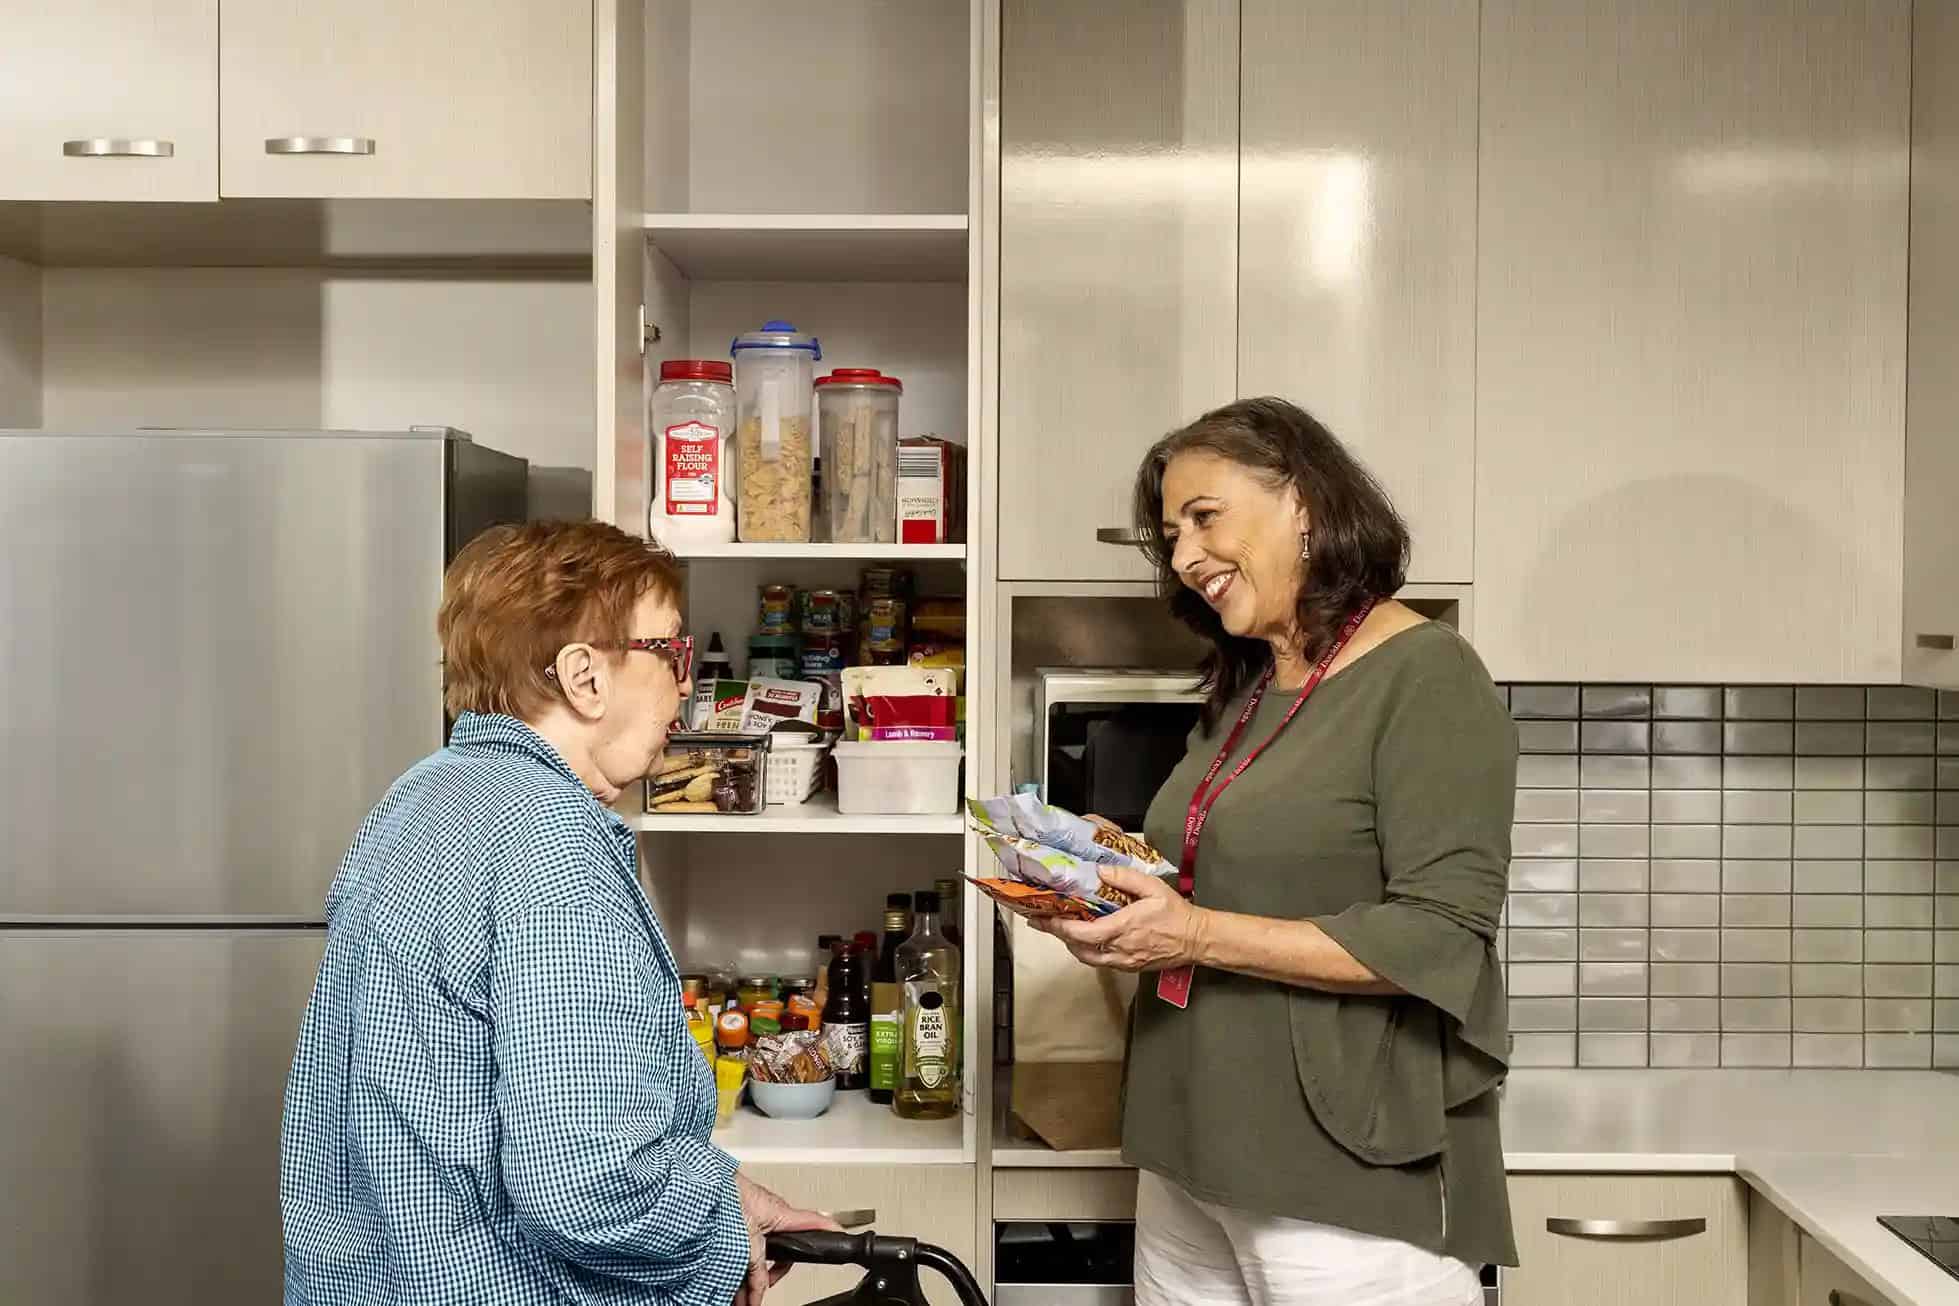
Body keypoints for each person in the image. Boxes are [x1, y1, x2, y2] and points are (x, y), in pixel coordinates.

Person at [1034, 398, 1518, 1306]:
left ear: (1302, 502)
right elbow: (1211, 869)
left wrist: (1191, 934)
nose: (1181, 558)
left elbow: (1440, 937)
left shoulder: (1428, 676)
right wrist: (1081, 876)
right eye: (1169, 533)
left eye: (1204, 518)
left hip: (1336, 1170)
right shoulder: (1252, 686)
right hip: (1189, 1145)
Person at [281, 520, 834, 1306]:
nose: (687, 685)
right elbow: (585, 1183)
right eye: (671, 653)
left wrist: (731, 1195)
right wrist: (715, 1238)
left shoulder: (421, 794)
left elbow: (466, 1105)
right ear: (585, 678)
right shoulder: (552, 844)